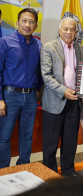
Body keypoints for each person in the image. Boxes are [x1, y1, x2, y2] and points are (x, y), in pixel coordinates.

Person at [40, 17, 83, 176]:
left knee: (70, 140)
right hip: (54, 101)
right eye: (65, 29)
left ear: (76, 32)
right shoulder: (48, 48)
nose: (68, 32)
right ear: (60, 30)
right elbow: (46, 76)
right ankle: (49, 171)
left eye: (72, 29)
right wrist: (63, 90)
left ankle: (68, 170)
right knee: (50, 142)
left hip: (74, 101)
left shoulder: (81, 49)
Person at [0, 8, 42, 168]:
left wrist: (37, 90)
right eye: (24, 21)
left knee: (27, 137)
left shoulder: (38, 44)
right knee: (4, 137)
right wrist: (0, 99)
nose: (27, 24)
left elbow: (40, 71)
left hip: (30, 97)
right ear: (17, 23)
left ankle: (23, 167)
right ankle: (3, 170)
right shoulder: (5, 42)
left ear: (35, 25)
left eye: (31, 21)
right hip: (9, 96)